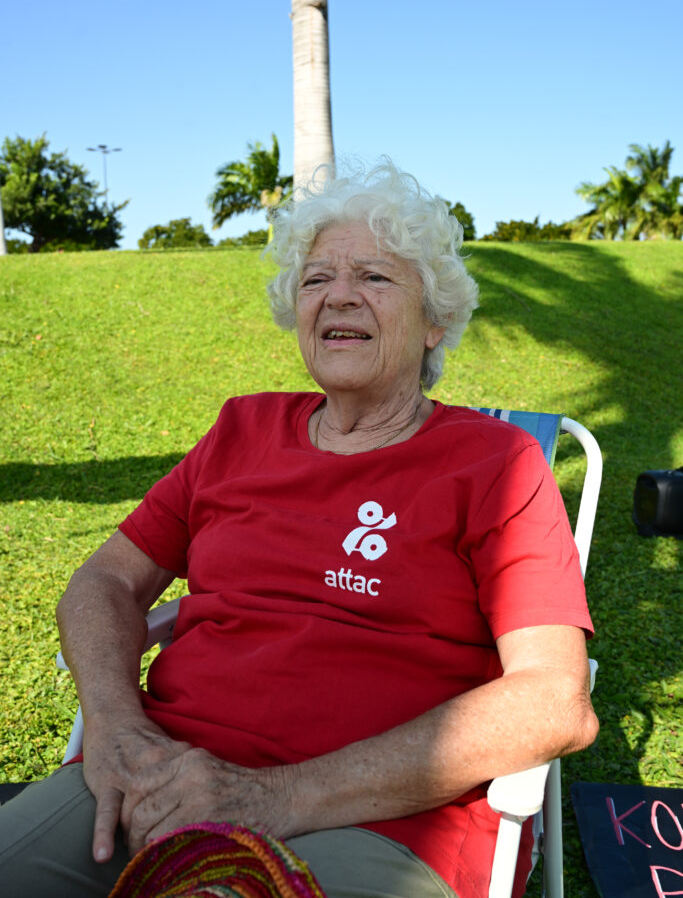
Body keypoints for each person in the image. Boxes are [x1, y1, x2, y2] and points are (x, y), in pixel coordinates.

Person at [0, 159, 598, 898]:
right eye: (316, 279)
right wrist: (118, 729)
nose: (339, 295)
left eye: (375, 278)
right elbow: (103, 581)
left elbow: (551, 698)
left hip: (378, 821)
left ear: (435, 319)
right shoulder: (240, 429)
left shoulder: (494, 462)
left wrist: (278, 796)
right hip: (160, 774)